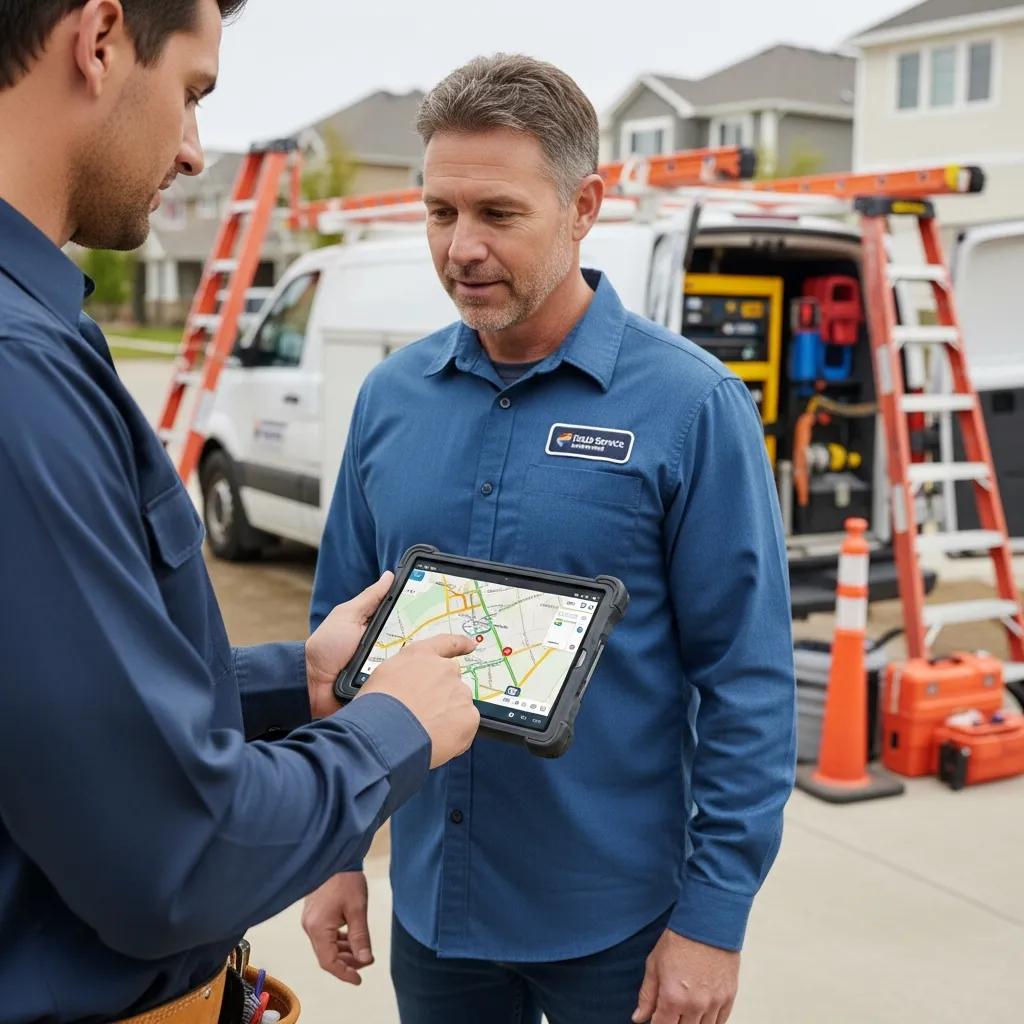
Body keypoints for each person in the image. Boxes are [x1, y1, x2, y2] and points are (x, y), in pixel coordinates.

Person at [0, 2, 479, 1020]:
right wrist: (393, 728)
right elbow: (176, 860)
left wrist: (288, 682)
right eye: (192, 92)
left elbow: (52, 697)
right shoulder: (17, 373)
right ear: (99, 39)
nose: (191, 147)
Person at [304, 54, 796, 1024]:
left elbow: (747, 686)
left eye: (497, 213)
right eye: (440, 213)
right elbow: (339, 644)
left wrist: (713, 918)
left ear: (584, 206)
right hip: (435, 917)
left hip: (614, 929)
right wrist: (335, 856)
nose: (461, 248)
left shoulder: (693, 408)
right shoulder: (390, 399)